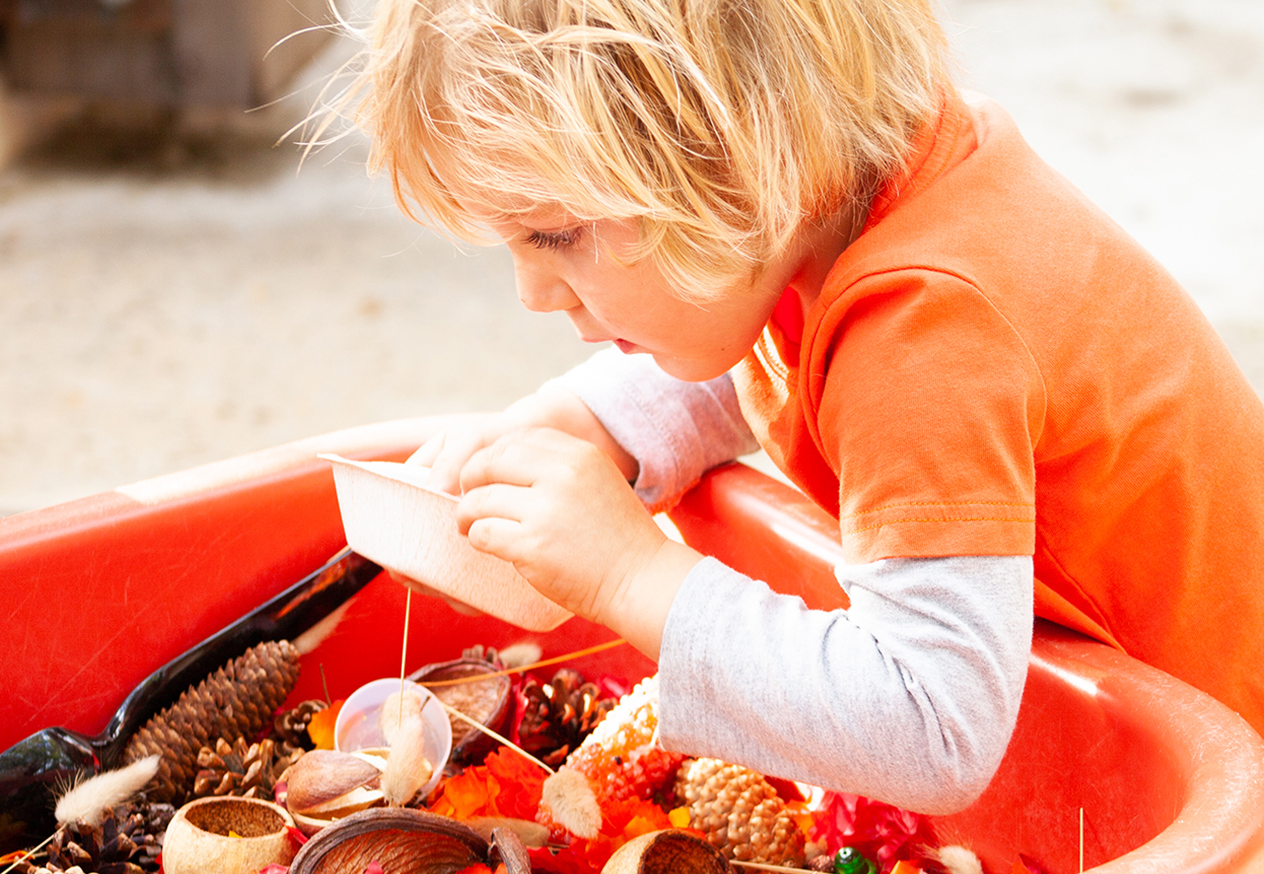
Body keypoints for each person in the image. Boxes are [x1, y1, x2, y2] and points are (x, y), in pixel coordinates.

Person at [315, 0, 1264, 814]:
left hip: (1220, 785)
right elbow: (764, 349)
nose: (532, 292)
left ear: (736, 156)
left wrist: (629, 577)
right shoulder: (844, 199)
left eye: (555, 233)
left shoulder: (927, 328)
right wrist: (592, 423)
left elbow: (930, 725)